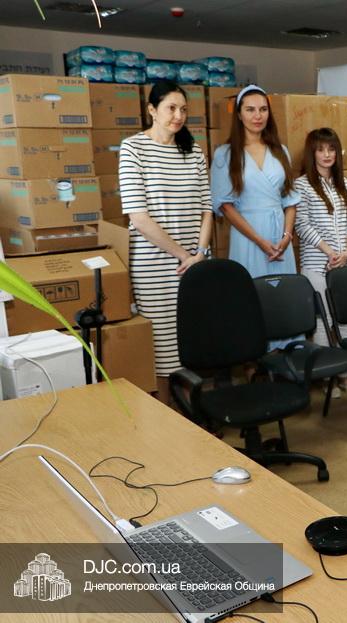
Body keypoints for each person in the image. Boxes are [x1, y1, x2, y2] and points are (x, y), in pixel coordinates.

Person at [119, 80, 212, 403]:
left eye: (183, 109)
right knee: (162, 350)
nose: (178, 115)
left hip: (195, 264)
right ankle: (167, 417)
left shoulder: (193, 151)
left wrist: (200, 253)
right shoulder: (133, 148)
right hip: (155, 267)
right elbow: (139, 217)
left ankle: (190, 415)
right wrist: (184, 255)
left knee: (193, 342)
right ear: (151, 110)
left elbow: (207, 208)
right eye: (171, 108)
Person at [211, 85, 300, 280]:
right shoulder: (224, 154)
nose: (258, 116)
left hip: (280, 240)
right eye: (250, 110)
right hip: (247, 237)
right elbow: (225, 206)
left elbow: (290, 200)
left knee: (285, 292)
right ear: (239, 115)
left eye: (263, 109)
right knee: (252, 290)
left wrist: (287, 237)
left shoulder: (281, 151)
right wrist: (259, 241)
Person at [294, 127, 347, 396]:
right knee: (323, 320)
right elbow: (302, 225)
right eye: (320, 149)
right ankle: (326, 375)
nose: (327, 154)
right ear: (312, 153)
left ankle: (344, 373)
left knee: (346, 319)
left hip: (346, 261)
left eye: (331, 149)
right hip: (317, 262)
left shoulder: (345, 183)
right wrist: (329, 251)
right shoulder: (302, 185)